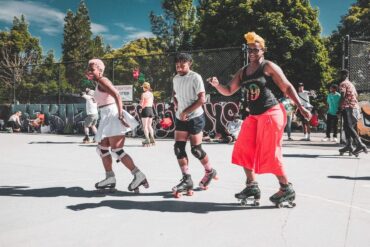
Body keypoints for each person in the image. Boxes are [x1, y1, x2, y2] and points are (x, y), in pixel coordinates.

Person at [208, 32, 311, 206]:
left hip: (271, 113)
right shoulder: (243, 71)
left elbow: (286, 86)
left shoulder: (268, 66)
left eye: (255, 49)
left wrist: (301, 107)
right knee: (243, 149)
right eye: (249, 49)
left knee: (269, 153)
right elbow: (228, 90)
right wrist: (217, 85)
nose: (252, 52)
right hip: (254, 116)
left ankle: (286, 188)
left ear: (262, 50)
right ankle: (252, 186)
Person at [85, 58, 149, 192]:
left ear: (100, 70)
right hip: (106, 116)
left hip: (113, 116)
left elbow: (118, 95)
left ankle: (139, 175)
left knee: (116, 150)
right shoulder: (98, 83)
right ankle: (110, 177)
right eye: (88, 68)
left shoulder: (103, 80)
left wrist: (120, 115)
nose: (89, 71)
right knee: (102, 148)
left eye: (92, 69)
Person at [171, 53, 217, 197]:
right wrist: (177, 106)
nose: (179, 66)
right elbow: (174, 94)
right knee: (178, 148)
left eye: (182, 64)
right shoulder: (175, 78)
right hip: (181, 117)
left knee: (196, 150)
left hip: (196, 117)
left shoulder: (195, 77)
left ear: (189, 63)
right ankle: (187, 179)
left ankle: (210, 171)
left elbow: (202, 99)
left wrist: (186, 111)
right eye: (177, 64)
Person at [338, 69, 368, 156]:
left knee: (348, 126)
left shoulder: (343, 83)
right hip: (355, 108)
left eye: (340, 75)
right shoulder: (351, 84)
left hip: (348, 107)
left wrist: (339, 107)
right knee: (348, 127)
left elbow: (342, 96)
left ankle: (360, 145)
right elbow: (356, 96)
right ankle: (349, 145)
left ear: (343, 75)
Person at [139, 82, 155, 146]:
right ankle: (152, 138)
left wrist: (140, 105)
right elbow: (152, 102)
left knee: (145, 126)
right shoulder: (151, 94)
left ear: (145, 87)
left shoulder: (143, 94)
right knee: (149, 126)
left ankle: (147, 139)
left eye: (143, 87)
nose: (142, 88)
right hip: (151, 110)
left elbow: (142, 103)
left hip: (145, 110)